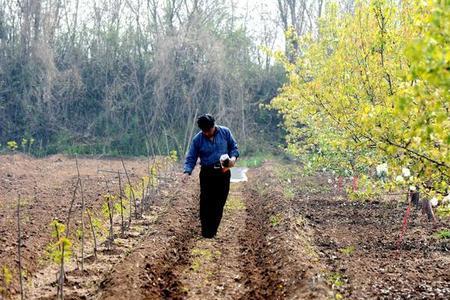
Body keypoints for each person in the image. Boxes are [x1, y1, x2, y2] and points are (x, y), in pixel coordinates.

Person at [182, 114, 239, 238]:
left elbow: (233, 148)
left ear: (214, 126)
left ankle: (212, 231)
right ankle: (206, 231)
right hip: (207, 173)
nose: (207, 133)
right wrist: (187, 172)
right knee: (206, 202)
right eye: (204, 131)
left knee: (219, 202)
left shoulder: (225, 132)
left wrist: (233, 159)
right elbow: (191, 157)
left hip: (223, 172)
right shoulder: (198, 139)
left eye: (209, 130)